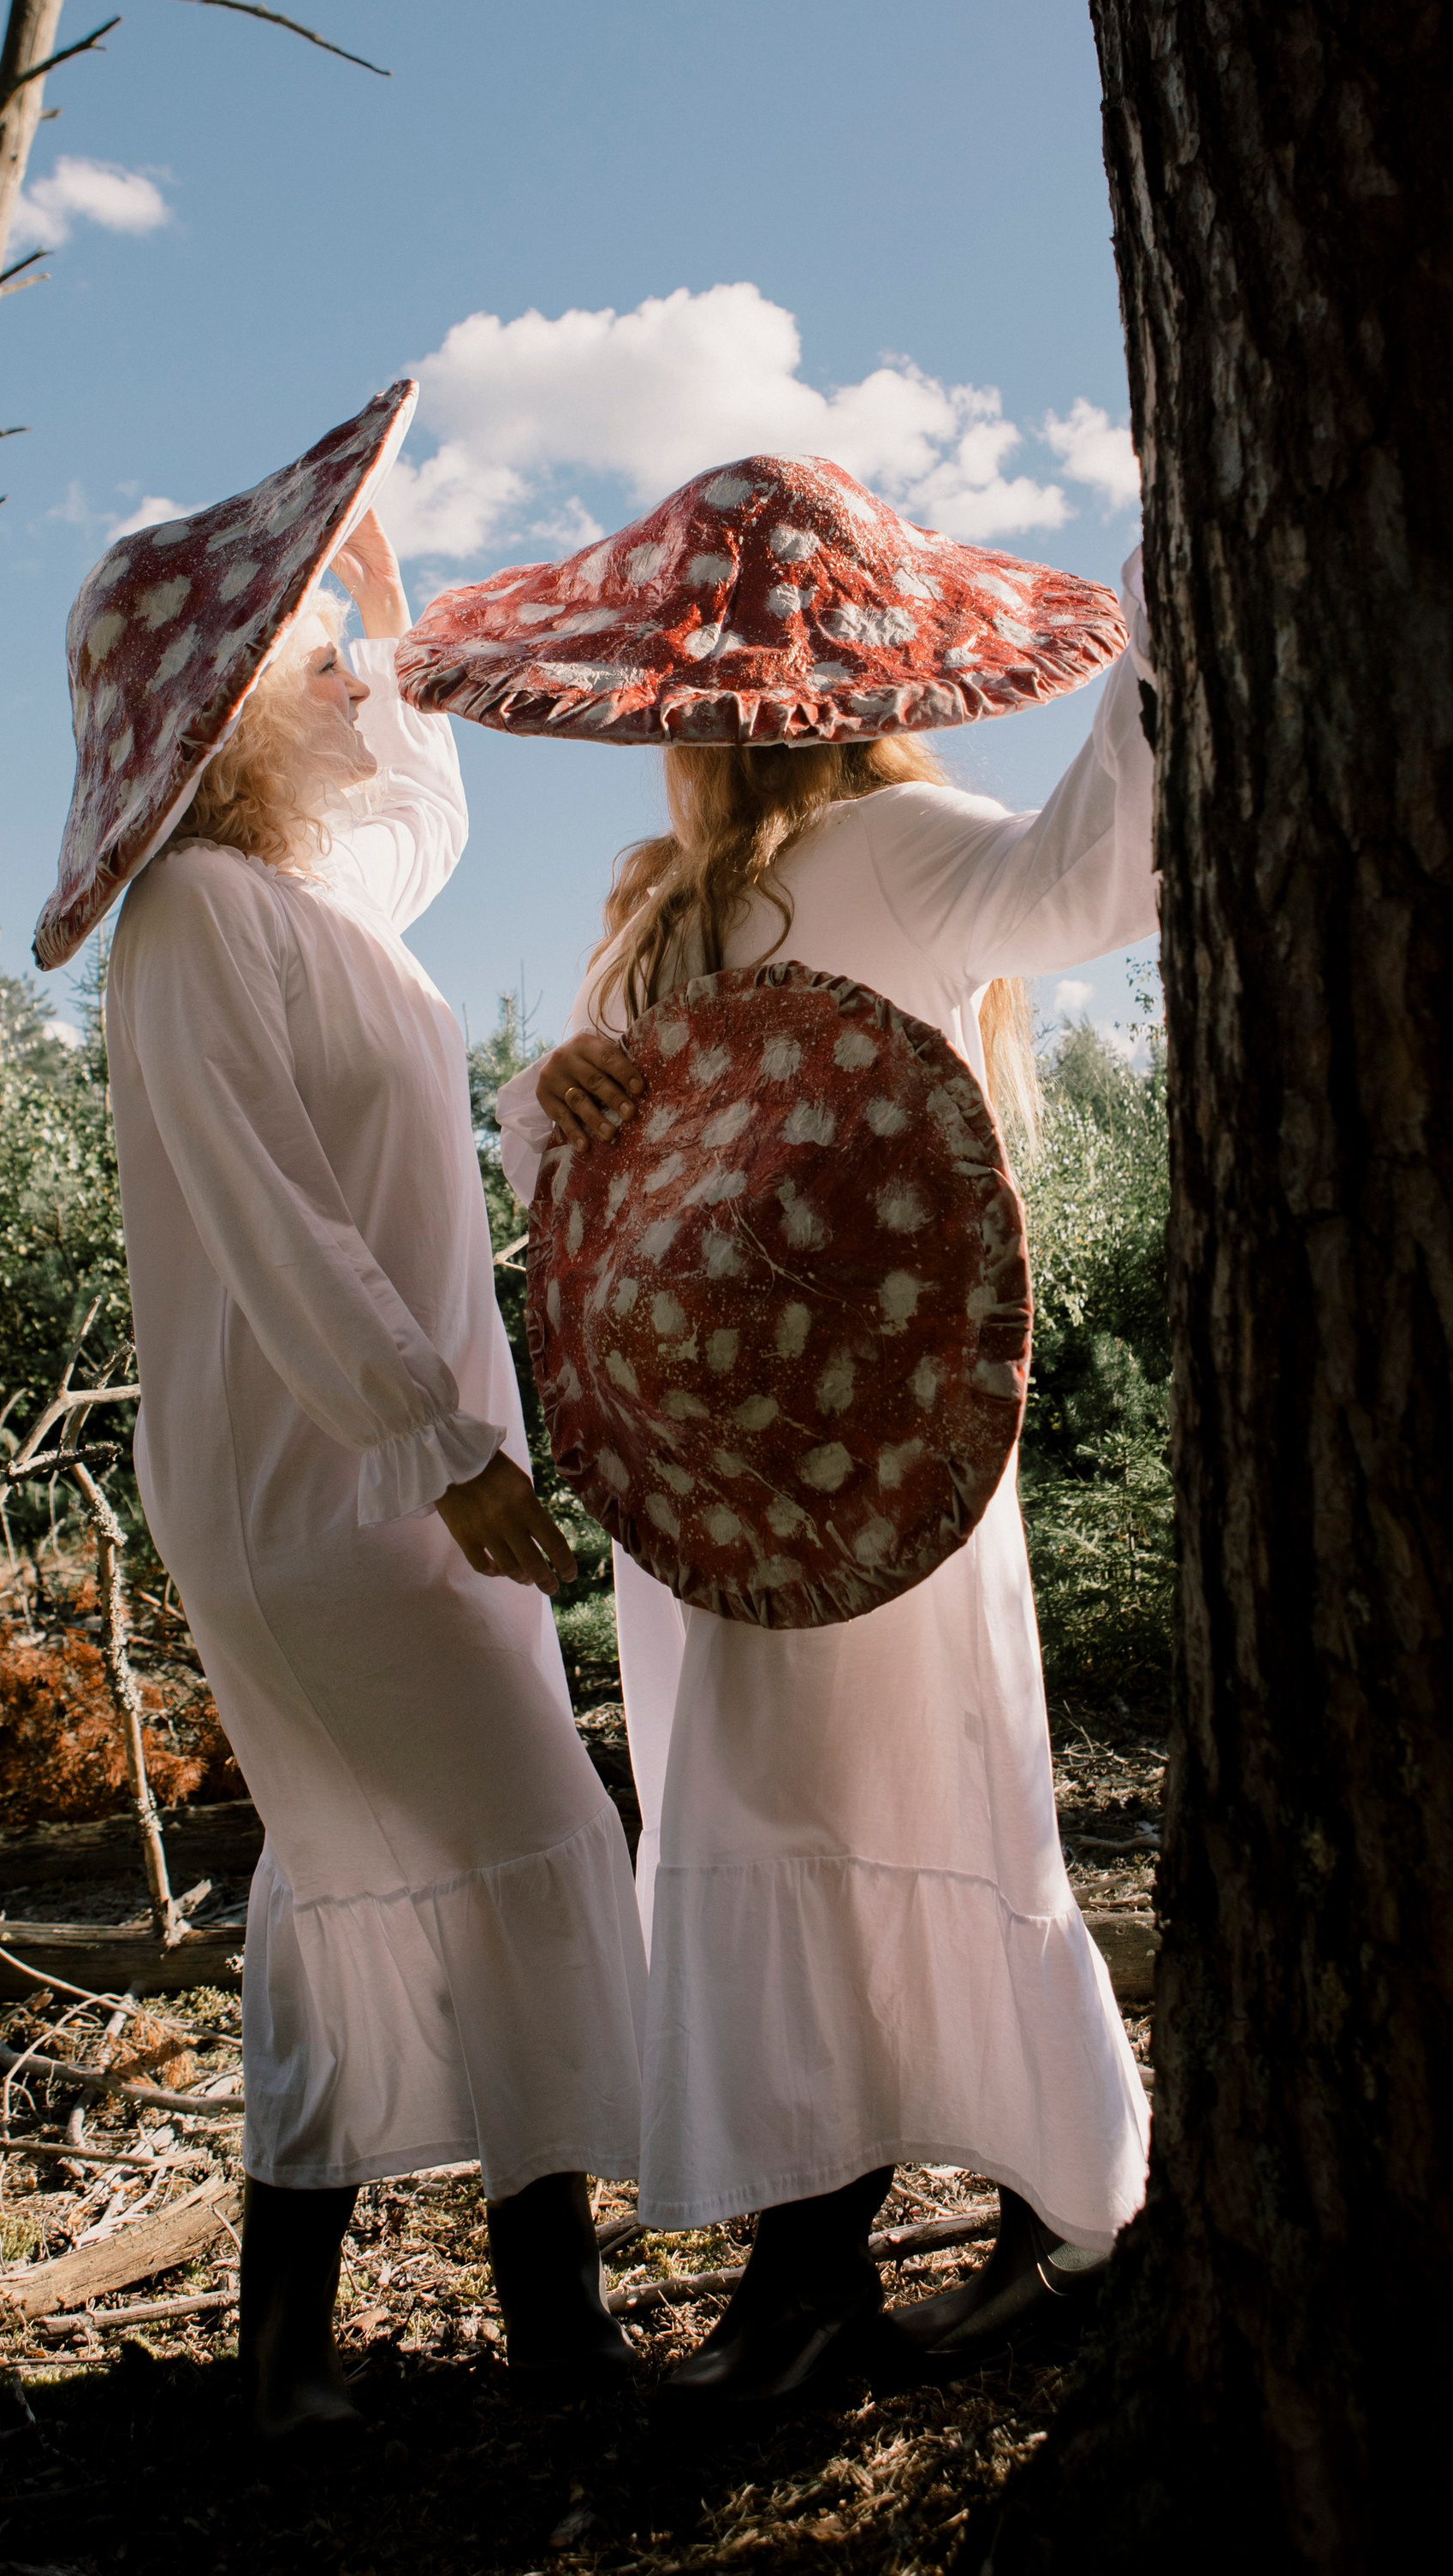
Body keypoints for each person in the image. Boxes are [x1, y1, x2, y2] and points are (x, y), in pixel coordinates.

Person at [458, 456, 1157, 2405]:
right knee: (757, 1829)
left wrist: (1162, 623)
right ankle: (850, 2258)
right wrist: (561, 1090)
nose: (700, 722)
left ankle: (990, 2229)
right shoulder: (661, 913)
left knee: (903, 1812)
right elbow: (548, 1156)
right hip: (708, 1476)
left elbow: (1093, 877)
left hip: (878, 1457)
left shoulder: (904, 849)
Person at [94, 486, 645, 2434]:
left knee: (330, 1883)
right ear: (226, 709)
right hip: (317, 1487)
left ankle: (279, 2355)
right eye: (311, 649)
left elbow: (420, 806)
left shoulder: (322, 898)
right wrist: (435, 1444)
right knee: (534, 1845)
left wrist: (393, 613)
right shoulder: (192, 917)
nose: (350, 671)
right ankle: (564, 2347)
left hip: (379, 1475)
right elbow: (270, 1218)